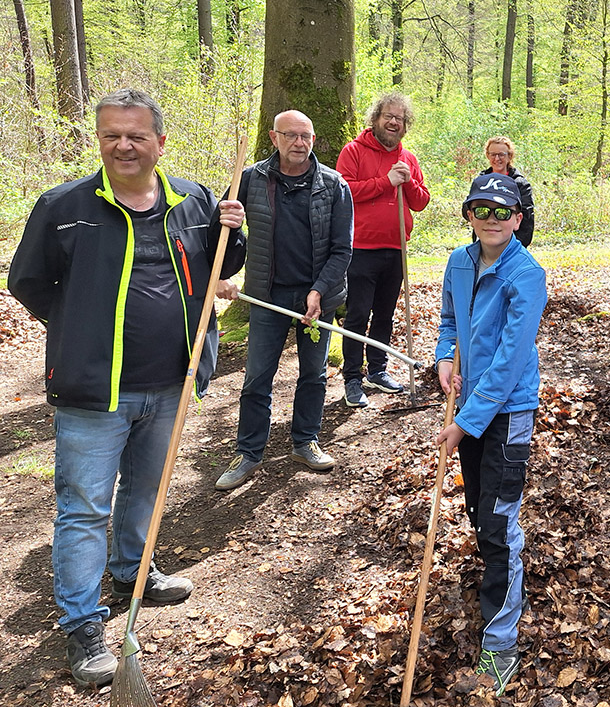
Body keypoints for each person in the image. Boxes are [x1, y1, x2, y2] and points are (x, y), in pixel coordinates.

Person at [8, 88, 247, 686]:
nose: (123, 145)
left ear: (159, 143)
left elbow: (220, 264)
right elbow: (28, 283)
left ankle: (134, 570)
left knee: (147, 488)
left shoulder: (192, 199)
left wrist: (233, 232)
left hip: (173, 379)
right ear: (99, 138)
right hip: (94, 392)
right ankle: (83, 624)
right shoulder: (63, 206)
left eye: (136, 135)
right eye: (112, 133)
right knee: (85, 508)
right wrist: (79, 328)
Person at [434, 172, 547, 695]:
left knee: (500, 522)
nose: (491, 219)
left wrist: (464, 422)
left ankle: (501, 643)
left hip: (506, 412)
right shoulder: (458, 262)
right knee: (481, 511)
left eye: (502, 212)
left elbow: (509, 359)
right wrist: (442, 359)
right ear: (469, 214)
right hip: (471, 405)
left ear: (518, 219)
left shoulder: (525, 274)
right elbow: (450, 322)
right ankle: (497, 581)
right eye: (481, 209)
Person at [215, 110, 354, 490]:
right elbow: (221, 231)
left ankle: (305, 441)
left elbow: (343, 250)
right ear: (274, 139)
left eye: (305, 135)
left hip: (317, 298)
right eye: (290, 135)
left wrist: (319, 292)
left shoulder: (333, 185)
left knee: (314, 373)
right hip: (266, 296)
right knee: (257, 377)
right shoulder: (251, 179)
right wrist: (224, 222)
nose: (299, 142)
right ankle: (248, 452)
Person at [335, 93, 430, 408]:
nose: (394, 122)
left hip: (396, 249)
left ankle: (377, 370)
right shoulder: (354, 152)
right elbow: (345, 192)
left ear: (405, 125)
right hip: (361, 248)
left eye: (400, 118)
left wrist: (408, 181)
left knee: (385, 315)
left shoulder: (410, 158)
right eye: (388, 116)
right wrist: (385, 181)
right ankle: (352, 377)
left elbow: (420, 201)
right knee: (358, 314)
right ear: (375, 119)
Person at [478, 135, 535, 247]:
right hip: (484, 245)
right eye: (493, 154)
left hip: (512, 245)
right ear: (487, 156)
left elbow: (527, 220)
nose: (497, 159)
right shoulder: (481, 181)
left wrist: (517, 247)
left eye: (501, 155)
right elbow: (468, 211)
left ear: (509, 156)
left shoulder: (520, 184)